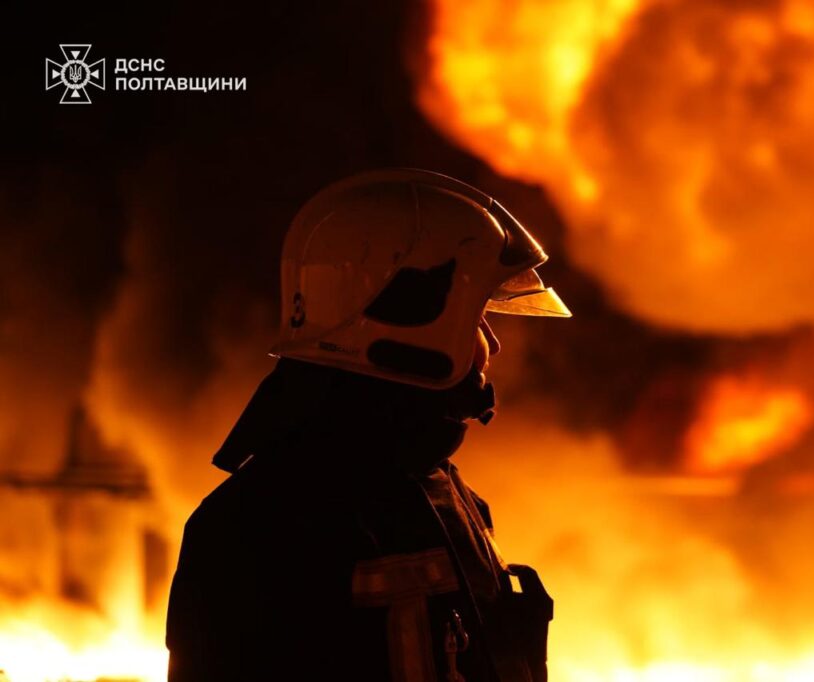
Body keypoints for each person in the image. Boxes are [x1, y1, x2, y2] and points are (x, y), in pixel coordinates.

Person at [165, 169, 572, 682]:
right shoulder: (251, 529)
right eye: (474, 318)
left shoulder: (444, 492)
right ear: (405, 319)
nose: (493, 343)